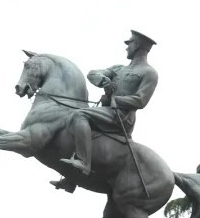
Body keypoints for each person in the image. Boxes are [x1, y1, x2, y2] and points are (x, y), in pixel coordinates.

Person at [59, 31, 158, 178]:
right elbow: (92, 73)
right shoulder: (119, 68)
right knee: (79, 127)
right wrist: (103, 80)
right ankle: (71, 179)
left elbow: (141, 100)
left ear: (137, 45)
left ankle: (84, 163)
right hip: (107, 112)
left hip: (122, 117)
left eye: (129, 43)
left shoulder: (149, 73)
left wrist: (116, 100)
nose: (126, 47)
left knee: (79, 115)